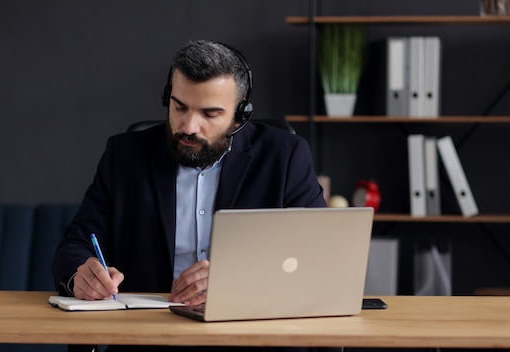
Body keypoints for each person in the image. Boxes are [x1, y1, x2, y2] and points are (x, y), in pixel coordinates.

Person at [52, 40, 328, 351]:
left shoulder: (286, 156)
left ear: (241, 115)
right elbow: (75, 244)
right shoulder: (124, 156)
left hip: (250, 336)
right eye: (179, 107)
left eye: (210, 113)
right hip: (147, 338)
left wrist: (237, 281)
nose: (188, 126)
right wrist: (81, 274)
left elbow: (319, 261)